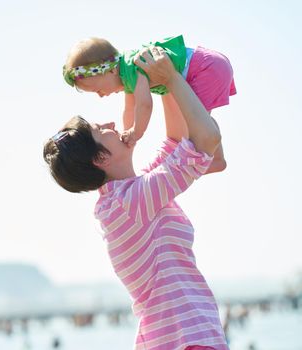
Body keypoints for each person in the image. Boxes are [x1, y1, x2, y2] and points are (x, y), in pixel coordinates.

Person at [44, 48, 228, 349]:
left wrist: (166, 74)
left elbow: (176, 143)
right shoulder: (127, 202)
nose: (111, 124)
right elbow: (206, 141)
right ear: (99, 159)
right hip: (185, 339)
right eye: (99, 130)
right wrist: (170, 77)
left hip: (182, 338)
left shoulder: (126, 196)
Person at [63, 35, 235, 149]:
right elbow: (130, 109)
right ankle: (215, 159)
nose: (100, 95)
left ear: (110, 70)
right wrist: (127, 132)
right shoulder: (126, 72)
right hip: (211, 64)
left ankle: (213, 159)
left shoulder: (133, 68)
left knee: (196, 128)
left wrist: (137, 132)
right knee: (199, 123)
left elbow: (144, 105)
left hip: (206, 70)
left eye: (97, 90)